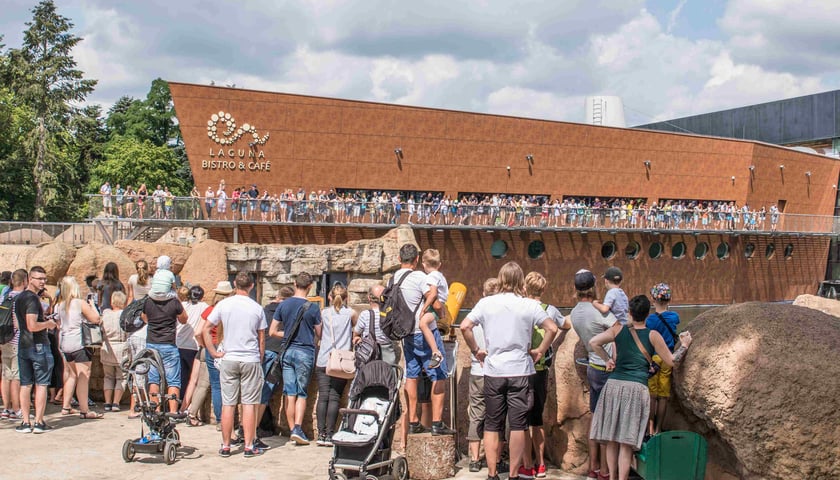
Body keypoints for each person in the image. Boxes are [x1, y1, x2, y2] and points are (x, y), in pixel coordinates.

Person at [460, 262, 558, 480]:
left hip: (493, 371)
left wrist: (476, 350)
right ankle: (514, 475)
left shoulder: (486, 303)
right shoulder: (528, 305)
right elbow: (552, 328)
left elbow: (465, 326)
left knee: (492, 424)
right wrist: (540, 350)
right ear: (520, 281)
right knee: (518, 425)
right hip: (521, 370)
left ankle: (492, 473)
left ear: (501, 278)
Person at [589, 295, 692, 480]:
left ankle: (612, 477)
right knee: (626, 442)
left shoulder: (618, 329)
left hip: (613, 387)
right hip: (636, 389)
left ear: (629, 312)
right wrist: (684, 345)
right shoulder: (653, 335)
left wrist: (607, 360)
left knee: (612, 439)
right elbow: (672, 361)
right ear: (647, 314)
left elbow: (593, 342)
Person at [205, 272, 267, 458]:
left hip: (229, 357)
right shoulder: (257, 308)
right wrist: (260, 357)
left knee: (228, 403)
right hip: (250, 358)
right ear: (251, 285)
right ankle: (248, 445)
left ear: (235, 284)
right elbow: (261, 338)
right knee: (249, 403)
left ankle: (226, 445)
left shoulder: (224, 304)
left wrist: (213, 351)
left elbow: (205, 329)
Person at [522, 271, 572, 479]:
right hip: (540, 369)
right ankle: (541, 464)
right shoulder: (549, 309)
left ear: (525, 288)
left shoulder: (520, 306)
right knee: (537, 420)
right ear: (543, 290)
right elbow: (565, 324)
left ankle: (526, 464)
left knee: (521, 421)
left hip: (521, 369)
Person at [569, 269, 616, 480]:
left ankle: (593, 467)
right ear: (593, 288)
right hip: (606, 367)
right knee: (607, 421)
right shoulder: (599, 311)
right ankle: (605, 471)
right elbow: (618, 329)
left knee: (595, 417)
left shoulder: (575, 312)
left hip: (592, 368)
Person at [269, 272, 321, 445]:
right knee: (302, 393)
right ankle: (298, 428)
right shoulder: (312, 307)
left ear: (294, 283)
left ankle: (292, 429)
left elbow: (272, 331)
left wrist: (288, 335)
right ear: (310, 286)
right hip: (304, 351)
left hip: (287, 350)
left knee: (289, 393)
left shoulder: (283, 305)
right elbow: (319, 333)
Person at [465, 278, 507, 474]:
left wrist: (475, 351)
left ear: (483, 293)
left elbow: (465, 329)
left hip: (477, 370)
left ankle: (474, 458)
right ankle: (497, 458)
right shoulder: (500, 315)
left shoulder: (475, 315)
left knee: (476, 414)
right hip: (496, 371)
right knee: (497, 416)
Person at [15, 266, 57, 433]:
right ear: (30, 279)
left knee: (25, 384)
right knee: (41, 384)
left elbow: (20, 324)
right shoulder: (32, 300)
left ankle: (25, 422)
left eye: (44, 279)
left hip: (23, 345)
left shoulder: (20, 298)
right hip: (38, 345)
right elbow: (32, 325)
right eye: (39, 278)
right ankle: (38, 421)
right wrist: (48, 323)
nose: (42, 282)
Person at [315, 283, 357, 447]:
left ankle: (321, 433)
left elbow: (319, 332)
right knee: (334, 397)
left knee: (323, 396)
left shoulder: (324, 313)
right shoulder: (350, 313)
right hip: (341, 359)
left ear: (330, 297)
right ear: (346, 298)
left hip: (324, 358)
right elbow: (356, 328)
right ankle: (330, 433)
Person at [56, 276, 103, 419]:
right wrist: (92, 305)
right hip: (79, 343)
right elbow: (96, 319)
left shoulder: (59, 305)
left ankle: (66, 406)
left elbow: (58, 325)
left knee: (71, 375)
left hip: (65, 343)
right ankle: (85, 410)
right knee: (84, 376)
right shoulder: (80, 303)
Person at [142, 275, 188, 414]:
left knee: (153, 379)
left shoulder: (148, 301)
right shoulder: (174, 302)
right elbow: (184, 319)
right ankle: (173, 412)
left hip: (152, 343)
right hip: (168, 343)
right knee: (173, 380)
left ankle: (155, 410)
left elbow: (144, 319)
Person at [194, 281, 235, 427]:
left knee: (216, 385)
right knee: (229, 385)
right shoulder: (232, 309)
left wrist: (206, 345)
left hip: (212, 347)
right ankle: (230, 420)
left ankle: (220, 421)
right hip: (227, 347)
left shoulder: (210, 310)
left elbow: (198, 332)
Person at [257, 286, 294, 439]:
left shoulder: (264, 310)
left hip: (262, 351)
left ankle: (252, 427)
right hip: (275, 353)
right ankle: (253, 428)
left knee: (256, 389)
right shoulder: (287, 312)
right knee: (265, 391)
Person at [645, 283, 680, 436]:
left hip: (653, 358)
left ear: (653, 299)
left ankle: (650, 429)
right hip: (667, 358)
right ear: (669, 299)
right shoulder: (674, 317)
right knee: (663, 395)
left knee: (652, 395)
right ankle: (659, 429)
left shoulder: (650, 320)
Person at [352, 284, 401, 366]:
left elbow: (356, 334)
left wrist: (358, 338)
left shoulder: (365, 315)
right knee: (389, 376)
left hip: (369, 353)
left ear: (369, 298)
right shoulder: (390, 314)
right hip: (387, 353)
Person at [0, 269, 25, 421]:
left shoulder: (4, 297)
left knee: (6, 375)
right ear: (25, 281)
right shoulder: (22, 298)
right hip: (16, 340)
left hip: (4, 340)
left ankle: (6, 408)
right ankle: (17, 409)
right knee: (16, 376)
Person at [418, 248, 448, 369]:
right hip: (439, 305)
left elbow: (433, 294)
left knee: (423, 324)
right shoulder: (440, 275)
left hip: (434, 307)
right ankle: (435, 350)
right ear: (439, 264)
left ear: (423, 264)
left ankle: (436, 352)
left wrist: (424, 308)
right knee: (425, 325)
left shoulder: (432, 276)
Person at [178, 285, 207, 410]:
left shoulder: (182, 306)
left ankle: (178, 403)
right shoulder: (204, 307)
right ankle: (188, 406)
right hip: (193, 346)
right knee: (193, 379)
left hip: (179, 344)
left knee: (180, 378)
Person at [100, 290, 127, 412]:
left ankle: (107, 402)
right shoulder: (125, 315)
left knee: (108, 376)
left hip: (107, 347)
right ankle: (116, 403)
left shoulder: (106, 314)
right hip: (121, 348)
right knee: (121, 377)